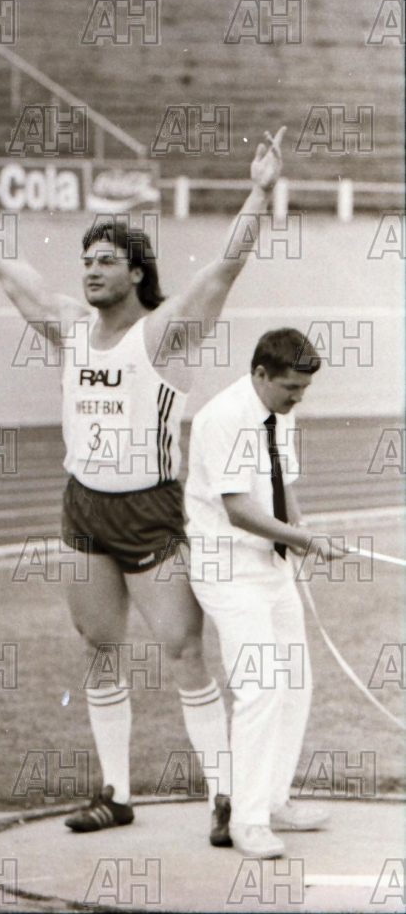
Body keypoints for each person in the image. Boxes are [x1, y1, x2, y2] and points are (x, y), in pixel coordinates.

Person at [0, 126, 286, 845]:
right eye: (86, 260)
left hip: (151, 511)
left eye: (106, 261)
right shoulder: (69, 326)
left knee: (184, 651)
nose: (91, 271)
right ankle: (115, 793)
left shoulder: (163, 334)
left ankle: (224, 795)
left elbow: (224, 269)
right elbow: (5, 267)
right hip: (84, 508)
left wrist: (259, 191)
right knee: (99, 646)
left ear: (136, 272)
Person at [185, 328, 347, 858]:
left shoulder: (279, 410)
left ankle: (274, 800)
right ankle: (247, 820)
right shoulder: (223, 417)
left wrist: (300, 528)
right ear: (260, 374)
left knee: (296, 682)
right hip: (228, 568)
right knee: (260, 687)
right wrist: (304, 541)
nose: (298, 398)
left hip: (269, 564)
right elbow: (238, 509)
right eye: (290, 388)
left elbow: (283, 483)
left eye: (303, 389)